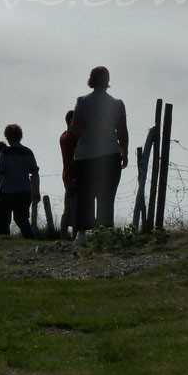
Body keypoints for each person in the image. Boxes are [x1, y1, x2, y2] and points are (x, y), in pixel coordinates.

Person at [69, 66, 129, 245]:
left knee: (85, 194)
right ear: (107, 80)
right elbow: (122, 131)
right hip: (110, 153)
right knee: (107, 195)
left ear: (91, 79)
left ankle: (82, 234)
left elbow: (75, 129)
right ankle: (105, 234)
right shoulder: (117, 103)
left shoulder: (82, 101)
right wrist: (124, 151)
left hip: (85, 155)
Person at [0, 123, 41, 238]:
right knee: (22, 219)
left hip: (6, 192)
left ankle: (3, 242)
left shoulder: (5, 153)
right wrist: (36, 190)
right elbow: (35, 173)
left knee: (2, 221)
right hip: (24, 191)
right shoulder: (28, 152)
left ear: (8, 137)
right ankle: (30, 239)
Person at [59, 109, 79, 241]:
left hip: (69, 177)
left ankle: (65, 235)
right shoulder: (70, 138)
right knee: (75, 209)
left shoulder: (64, 136)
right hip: (73, 177)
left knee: (69, 208)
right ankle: (74, 236)